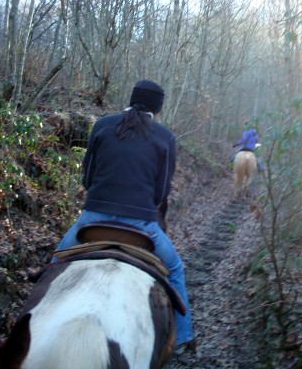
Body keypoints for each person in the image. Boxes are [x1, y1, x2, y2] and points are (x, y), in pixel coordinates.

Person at [52, 79, 195, 354]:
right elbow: (161, 193)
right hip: (141, 224)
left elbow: (88, 177)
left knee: (54, 263)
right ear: (157, 109)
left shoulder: (103, 125)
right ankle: (184, 337)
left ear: (131, 100)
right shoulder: (164, 137)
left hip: (92, 220)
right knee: (175, 269)